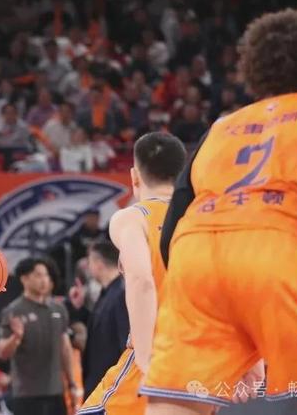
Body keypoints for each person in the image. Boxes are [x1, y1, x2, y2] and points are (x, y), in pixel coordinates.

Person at [142, 9, 297, 415]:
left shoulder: (219, 127)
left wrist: (189, 297)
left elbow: (176, 215)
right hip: (274, 258)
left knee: (175, 408)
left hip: (193, 264)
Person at [77, 132, 186, 415]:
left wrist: (146, 359)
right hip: (202, 357)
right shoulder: (202, 216)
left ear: (134, 176)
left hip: (156, 353)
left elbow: (141, 280)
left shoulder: (133, 217)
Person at [0, 257, 77, 415]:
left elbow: (65, 348)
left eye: (46, 275)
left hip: (56, 393)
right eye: (38, 275)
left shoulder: (59, 309)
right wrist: (16, 338)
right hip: (26, 395)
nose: (44, 280)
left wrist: (72, 383)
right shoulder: (13, 311)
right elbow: (2, 353)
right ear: (24, 279)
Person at [77, 241, 129, 398]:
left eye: (89, 261)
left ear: (98, 264)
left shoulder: (120, 294)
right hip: (101, 385)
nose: (88, 267)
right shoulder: (108, 293)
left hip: (112, 389)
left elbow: (125, 344)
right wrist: (77, 308)